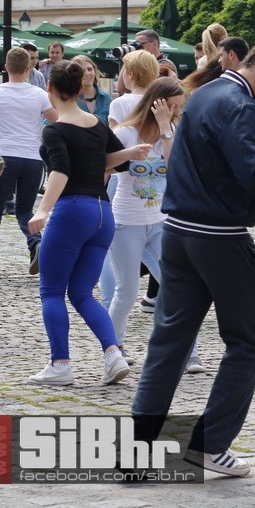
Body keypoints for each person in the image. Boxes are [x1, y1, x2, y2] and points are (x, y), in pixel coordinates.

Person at [131, 36, 255, 477]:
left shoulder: (204, 92)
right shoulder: (241, 105)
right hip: (219, 235)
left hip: (177, 231)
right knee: (249, 341)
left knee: (168, 342)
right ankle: (209, 445)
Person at [27, 60, 151, 385]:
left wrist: (42, 210)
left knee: (52, 291)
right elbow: (113, 163)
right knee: (82, 293)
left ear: (49, 88)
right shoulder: (96, 123)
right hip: (102, 214)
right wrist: (129, 153)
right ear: (81, 88)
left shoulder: (54, 129)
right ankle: (113, 355)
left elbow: (60, 170)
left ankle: (60, 364)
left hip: (72, 211)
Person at [106, 78, 192, 366]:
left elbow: (174, 167)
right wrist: (127, 154)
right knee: (127, 291)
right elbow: (103, 163)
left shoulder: (171, 131)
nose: (177, 112)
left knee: (177, 286)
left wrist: (166, 126)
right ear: (157, 103)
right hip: (126, 223)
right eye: (173, 106)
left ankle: (189, 352)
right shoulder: (126, 132)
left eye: (179, 107)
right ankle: (114, 349)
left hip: (160, 223)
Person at [0, 48, 58, 278]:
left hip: (6, 157)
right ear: (28, 69)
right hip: (33, 159)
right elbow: (56, 120)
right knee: (25, 210)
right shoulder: (39, 94)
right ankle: (36, 242)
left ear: (6, 67)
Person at [116, 29, 178, 95]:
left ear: (155, 44)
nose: (138, 48)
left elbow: (153, 87)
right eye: (135, 45)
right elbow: (121, 89)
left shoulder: (165, 63)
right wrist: (128, 59)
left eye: (140, 44)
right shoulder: (140, 64)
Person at [108, 50, 160, 127]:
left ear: (130, 74)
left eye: (124, 71)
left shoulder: (119, 103)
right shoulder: (160, 103)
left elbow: (113, 132)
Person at [72, 55, 114, 125]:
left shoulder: (106, 97)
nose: (87, 73)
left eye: (90, 69)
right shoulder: (70, 98)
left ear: (95, 71)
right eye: (82, 71)